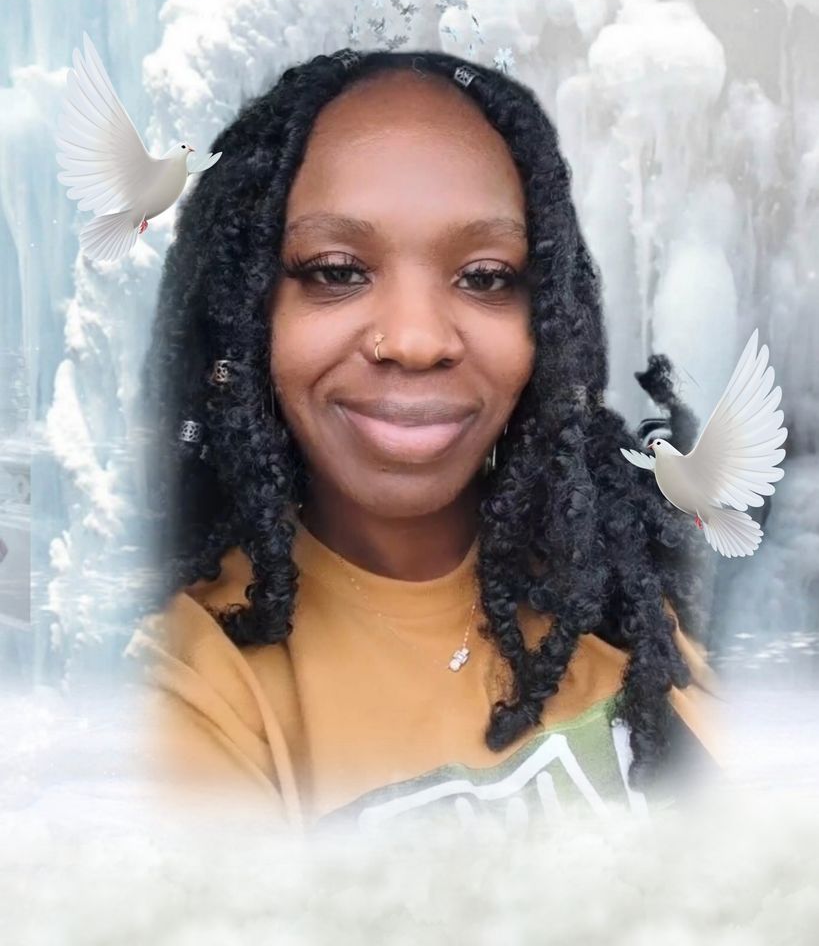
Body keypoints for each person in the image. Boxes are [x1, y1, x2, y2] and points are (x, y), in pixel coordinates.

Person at [123, 48, 724, 836]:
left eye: (485, 277)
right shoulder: (186, 686)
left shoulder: (621, 593)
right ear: (245, 316)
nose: (414, 340)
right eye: (336, 270)